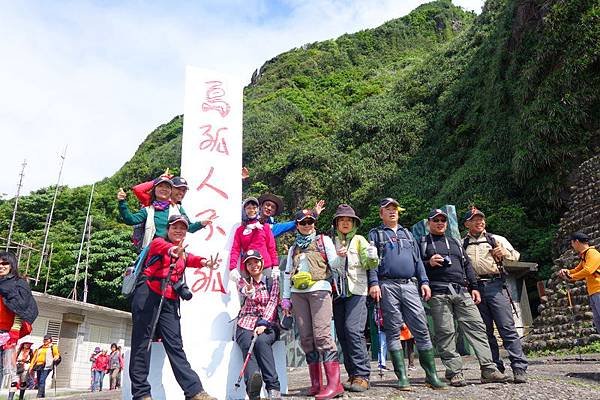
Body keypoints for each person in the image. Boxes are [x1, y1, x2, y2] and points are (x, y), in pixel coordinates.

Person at [129, 214, 219, 400]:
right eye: (175, 227)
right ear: (168, 229)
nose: (179, 231)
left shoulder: (183, 252)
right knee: (141, 343)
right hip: (148, 296)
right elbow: (166, 249)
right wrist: (173, 251)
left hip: (169, 300)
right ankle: (141, 394)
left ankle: (194, 392)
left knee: (175, 345)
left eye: (183, 228)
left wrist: (205, 263)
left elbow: (192, 259)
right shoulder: (158, 243)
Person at [422, 208, 508, 386]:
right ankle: (454, 372)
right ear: (428, 223)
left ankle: (488, 369)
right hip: (438, 292)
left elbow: (466, 264)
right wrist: (428, 263)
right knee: (446, 332)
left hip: (462, 290)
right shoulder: (422, 242)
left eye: (442, 220)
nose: (440, 223)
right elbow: (415, 265)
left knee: (477, 327)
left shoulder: (455, 241)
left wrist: (474, 287)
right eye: (436, 220)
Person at [366, 198, 446, 390]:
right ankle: (402, 377)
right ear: (381, 213)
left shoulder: (408, 234)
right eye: (388, 209)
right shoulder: (375, 234)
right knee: (393, 331)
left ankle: (431, 375)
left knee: (421, 328)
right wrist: (374, 283)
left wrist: (424, 282)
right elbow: (371, 262)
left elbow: (418, 261)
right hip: (387, 285)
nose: (392, 212)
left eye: (395, 209)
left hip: (410, 285)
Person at [282, 209, 344, 399]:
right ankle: (316, 383)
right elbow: (287, 274)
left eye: (310, 222)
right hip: (297, 294)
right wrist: (285, 298)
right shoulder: (293, 248)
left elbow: (334, 264)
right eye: (303, 222)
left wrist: (341, 256)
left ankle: (335, 384)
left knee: (322, 335)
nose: (307, 225)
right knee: (306, 338)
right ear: (297, 225)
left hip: (320, 290)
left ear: (314, 223)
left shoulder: (323, 241)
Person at [463, 206, 528, 383]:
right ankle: (494, 369)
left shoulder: (496, 239)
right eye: (475, 219)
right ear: (467, 223)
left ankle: (519, 368)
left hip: (495, 285)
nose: (480, 222)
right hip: (474, 289)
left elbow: (515, 256)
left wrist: (504, 253)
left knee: (507, 328)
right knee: (485, 331)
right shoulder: (463, 243)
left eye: (481, 219)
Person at [329, 204, 378, 392]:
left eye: (349, 220)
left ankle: (362, 375)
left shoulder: (359, 240)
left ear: (354, 223)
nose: (345, 223)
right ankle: (352, 375)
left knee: (353, 330)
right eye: (341, 220)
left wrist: (373, 258)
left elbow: (369, 263)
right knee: (342, 333)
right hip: (336, 294)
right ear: (336, 223)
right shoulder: (330, 242)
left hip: (356, 291)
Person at [235, 250, 282, 400]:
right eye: (249, 263)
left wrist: (263, 323)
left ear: (262, 262)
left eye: (256, 261)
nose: (253, 265)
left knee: (261, 342)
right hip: (245, 323)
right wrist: (250, 291)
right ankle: (253, 389)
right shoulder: (243, 282)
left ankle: (273, 387)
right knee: (247, 343)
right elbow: (246, 291)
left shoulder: (271, 281)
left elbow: (273, 301)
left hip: (267, 324)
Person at [117, 176, 206, 250]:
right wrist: (122, 202)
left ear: (170, 191)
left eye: (167, 187)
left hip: (172, 252)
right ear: (154, 190)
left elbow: (188, 227)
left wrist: (202, 223)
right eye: (160, 186)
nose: (164, 189)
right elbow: (130, 219)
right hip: (151, 254)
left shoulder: (177, 208)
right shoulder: (148, 209)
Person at [0, 251, 39, 400]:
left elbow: (21, 308)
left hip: (7, 333)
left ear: (12, 265)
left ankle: (13, 396)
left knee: (6, 370)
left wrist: (14, 331)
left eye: (5, 263)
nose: (1, 266)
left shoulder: (18, 284)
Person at [559, 232, 600, 333]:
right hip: (593, 292)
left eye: (572, 243)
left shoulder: (592, 253)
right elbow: (577, 269)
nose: (572, 246)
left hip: (598, 290)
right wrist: (567, 271)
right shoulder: (585, 256)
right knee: (598, 321)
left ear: (576, 242)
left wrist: (571, 277)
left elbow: (588, 270)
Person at [229, 197, 278, 282]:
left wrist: (276, 265)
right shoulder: (240, 230)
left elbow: (271, 248)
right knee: (248, 293)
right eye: (248, 208)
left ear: (258, 209)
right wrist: (232, 267)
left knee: (269, 294)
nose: (251, 210)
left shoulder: (265, 227)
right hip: (247, 268)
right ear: (244, 210)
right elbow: (235, 249)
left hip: (265, 266)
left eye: (254, 208)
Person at [257, 193, 326, 238]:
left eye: (273, 207)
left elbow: (295, 222)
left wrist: (314, 214)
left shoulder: (273, 228)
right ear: (261, 206)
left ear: (274, 212)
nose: (269, 208)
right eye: (267, 205)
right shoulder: (249, 220)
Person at [29, 334, 60, 398]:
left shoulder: (53, 347)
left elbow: (57, 354)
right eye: (44, 339)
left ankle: (39, 395)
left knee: (42, 380)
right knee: (39, 380)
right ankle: (42, 395)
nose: (45, 340)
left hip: (47, 366)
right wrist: (31, 366)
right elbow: (34, 357)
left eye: (47, 339)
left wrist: (56, 357)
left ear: (50, 340)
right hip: (38, 365)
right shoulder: (40, 348)